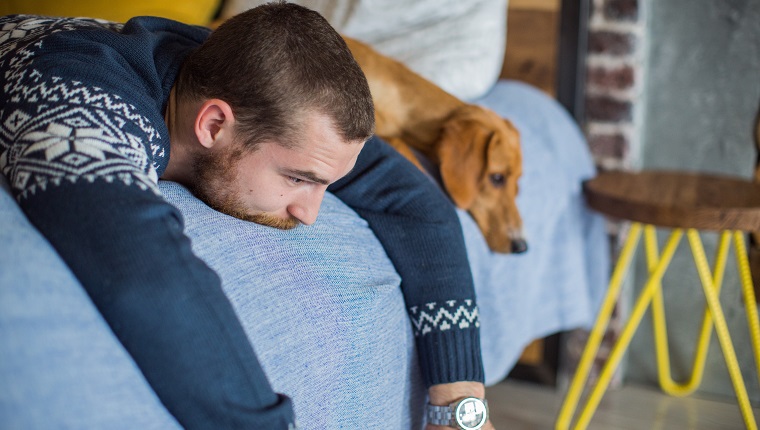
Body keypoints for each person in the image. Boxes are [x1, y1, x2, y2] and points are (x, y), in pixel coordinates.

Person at [0, 2, 492, 429]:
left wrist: (459, 403)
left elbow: (413, 201)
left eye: (326, 185)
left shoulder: (246, 83)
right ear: (213, 124)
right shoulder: (79, 100)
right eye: (298, 179)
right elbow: (142, 273)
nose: (310, 214)